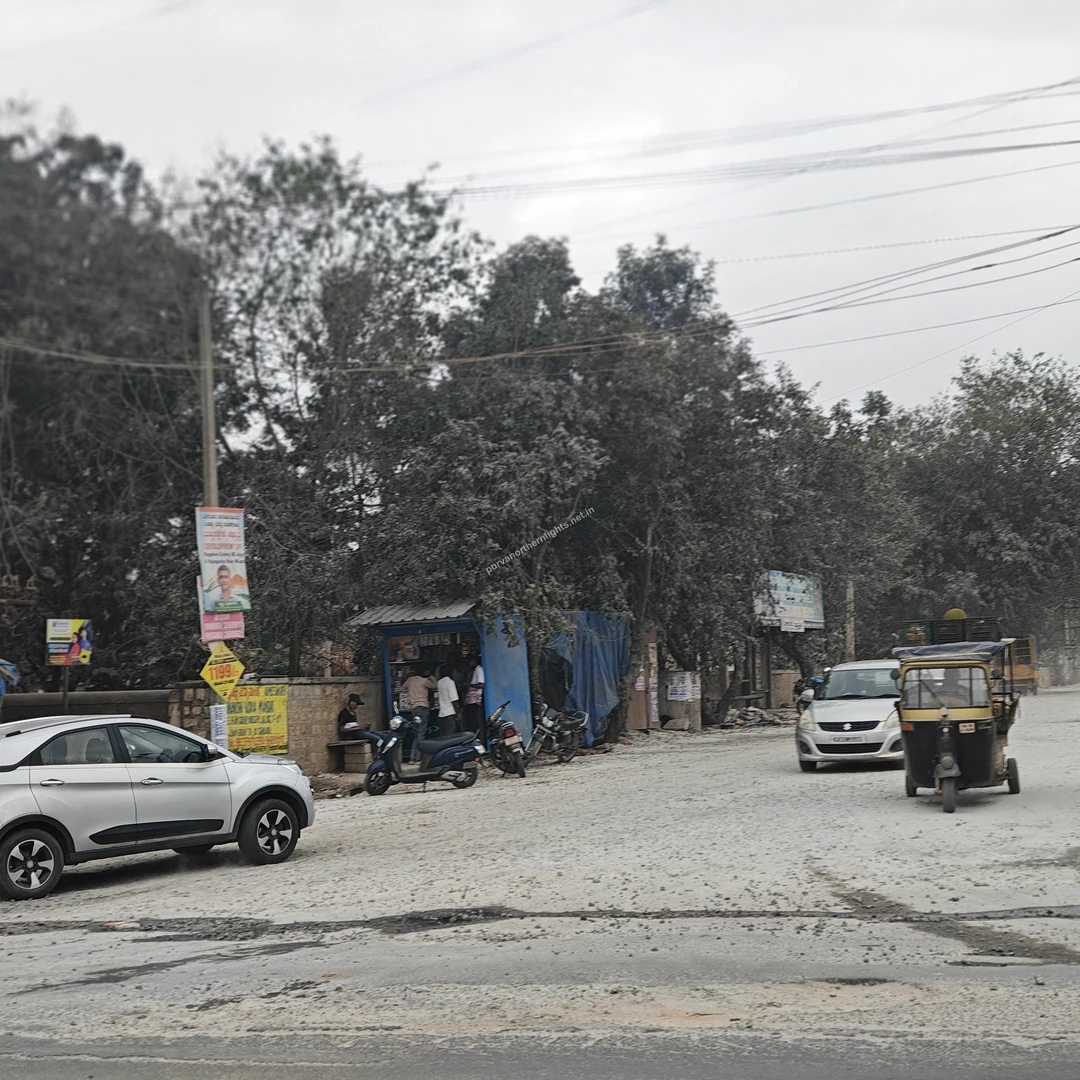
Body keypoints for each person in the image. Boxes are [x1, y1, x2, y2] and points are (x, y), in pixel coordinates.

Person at [402, 666, 438, 762]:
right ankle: (418, 757)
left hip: (414, 708)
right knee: (421, 733)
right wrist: (431, 677)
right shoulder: (424, 681)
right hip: (423, 707)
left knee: (417, 733)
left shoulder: (410, 680)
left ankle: (412, 757)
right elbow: (436, 686)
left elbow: (402, 688)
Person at [464, 653, 485, 741]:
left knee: (475, 722)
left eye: (470, 662)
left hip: (475, 700)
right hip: (471, 700)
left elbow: (481, 685)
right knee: (472, 722)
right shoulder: (475, 671)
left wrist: (469, 685)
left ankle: (478, 740)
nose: (469, 664)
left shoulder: (479, 670)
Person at [435, 664, 460, 736]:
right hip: (450, 714)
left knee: (443, 737)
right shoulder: (450, 682)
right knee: (451, 736)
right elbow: (454, 700)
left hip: (441, 714)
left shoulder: (439, 682)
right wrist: (458, 714)